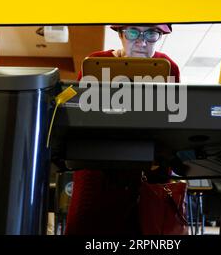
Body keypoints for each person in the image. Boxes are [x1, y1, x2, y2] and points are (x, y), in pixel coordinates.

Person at [65, 24, 180, 235]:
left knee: (144, 230)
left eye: (152, 34)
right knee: (87, 228)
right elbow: (79, 115)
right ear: (120, 34)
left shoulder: (168, 66)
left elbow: (171, 121)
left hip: (147, 169)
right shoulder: (97, 62)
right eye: (133, 32)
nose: (142, 42)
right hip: (98, 167)